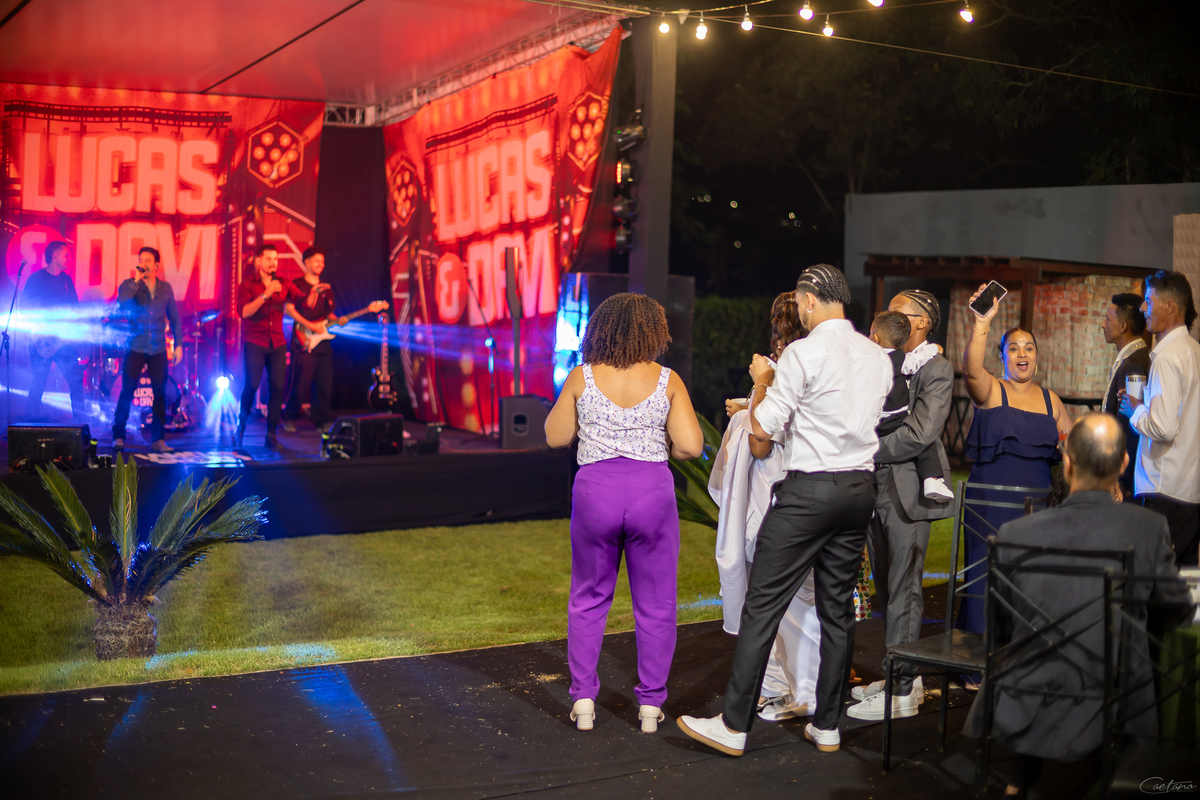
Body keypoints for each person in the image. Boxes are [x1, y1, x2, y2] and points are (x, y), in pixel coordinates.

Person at [677, 264, 891, 756]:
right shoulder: (875, 355)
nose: (800, 312)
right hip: (859, 489)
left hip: (808, 491)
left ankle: (733, 726)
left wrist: (761, 385)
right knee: (837, 609)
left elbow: (762, 430)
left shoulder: (803, 352)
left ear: (810, 300)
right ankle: (828, 725)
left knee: (762, 606)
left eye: (799, 303)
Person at [963, 412, 1193, 797]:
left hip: (1026, 695)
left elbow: (998, 631)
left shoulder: (1014, 533)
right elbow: (1178, 609)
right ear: (1124, 464)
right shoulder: (1148, 528)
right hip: (1117, 700)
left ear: (1067, 463)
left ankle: (1017, 781)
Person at [544, 293, 703, 735]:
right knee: (655, 603)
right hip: (652, 491)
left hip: (596, 491)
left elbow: (555, 437)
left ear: (602, 329)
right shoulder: (667, 379)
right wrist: (662, 445)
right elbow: (691, 446)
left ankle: (583, 699)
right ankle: (650, 705)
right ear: (653, 332)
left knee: (589, 597)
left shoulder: (582, 376)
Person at [710, 291, 821, 723]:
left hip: (776, 491)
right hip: (816, 489)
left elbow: (760, 442)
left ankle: (781, 689)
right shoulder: (821, 364)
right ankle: (803, 688)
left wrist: (759, 387)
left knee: (773, 597)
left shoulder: (786, 367)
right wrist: (750, 402)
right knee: (805, 596)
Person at [849, 291, 955, 720]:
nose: (889, 317)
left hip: (907, 491)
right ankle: (898, 669)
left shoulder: (936, 368)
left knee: (905, 590)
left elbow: (920, 432)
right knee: (888, 589)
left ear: (922, 322)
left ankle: (904, 689)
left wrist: (864, 448)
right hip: (873, 488)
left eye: (898, 311)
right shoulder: (880, 362)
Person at [958, 285, 1074, 640]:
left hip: (1039, 504)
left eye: (1029, 348)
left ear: (1036, 356)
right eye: (1013, 348)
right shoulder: (992, 389)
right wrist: (982, 324)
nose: (1022, 353)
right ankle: (979, 649)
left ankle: (1027, 646)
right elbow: (971, 370)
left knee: (1033, 573)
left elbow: (1074, 448)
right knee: (988, 571)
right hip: (990, 501)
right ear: (1002, 356)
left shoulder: (1050, 400)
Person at [1119, 270, 1200, 566]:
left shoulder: (1167, 357)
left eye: (1148, 301)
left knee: (1150, 580)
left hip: (1163, 490)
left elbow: (1164, 428)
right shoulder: (1195, 351)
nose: (1143, 308)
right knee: (1182, 580)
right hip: (1190, 490)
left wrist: (1137, 409)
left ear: (1170, 307)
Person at [868, 310, 953, 503]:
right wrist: (934, 349)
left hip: (873, 421)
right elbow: (916, 361)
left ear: (875, 338)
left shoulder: (868, 359)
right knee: (927, 444)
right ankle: (932, 480)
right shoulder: (900, 359)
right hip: (896, 419)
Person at [111, 247, 183, 453]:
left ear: (156, 265)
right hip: (136, 346)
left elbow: (174, 318)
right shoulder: (131, 285)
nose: (143, 264)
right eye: (141, 260)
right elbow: (122, 303)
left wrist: (179, 344)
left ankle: (158, 440)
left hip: (158, 347)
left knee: (160, 394)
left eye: (148, 260)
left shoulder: (165, 288)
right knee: (127, 391)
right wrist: (136, 280)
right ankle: (118, 436)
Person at [236, 244, 305, 449]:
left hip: (278, 342)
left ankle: (271, 435)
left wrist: (314, 294)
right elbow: (244, 312)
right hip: (255, 341)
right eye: (268, 259)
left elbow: (303, 302)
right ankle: (241, 426)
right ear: (258, 261)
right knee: (252, 385)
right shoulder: (248, 285)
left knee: (277, 388)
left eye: (275, 259)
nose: (273, 263)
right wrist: (266, 294)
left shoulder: (283, 283)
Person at [284, 247, 347, 432]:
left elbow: (329, 313)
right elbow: (289, 309)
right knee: (300, 382)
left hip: (323, 343)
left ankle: (322, 420)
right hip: (303, 339)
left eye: (323, 262)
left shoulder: (326, 288)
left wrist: (338, 320)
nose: (321, 264)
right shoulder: (296, 284)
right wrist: (310, 325)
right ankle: (290, 418)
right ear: (307, 262)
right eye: (317, 261)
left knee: (324, 384)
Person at [21, 241, 85, 421]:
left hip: (62, 341)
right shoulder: (36, 278)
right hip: (41, 340)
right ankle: (29, 423)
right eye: (66, 255)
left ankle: (80, 424)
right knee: (39, 381)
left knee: (75, 380)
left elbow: (75, 309)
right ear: (55, 256)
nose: (69, 258)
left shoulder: (66, 280)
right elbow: (24, 307)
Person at [1100, 293, 1150, 502]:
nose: (1103, 325)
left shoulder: (1133, 365)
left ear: (1122, 326)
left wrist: (1121, 478)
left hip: (1126, 478)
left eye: (1107, 319)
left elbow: (1129, 429)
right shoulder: (1136, 357)